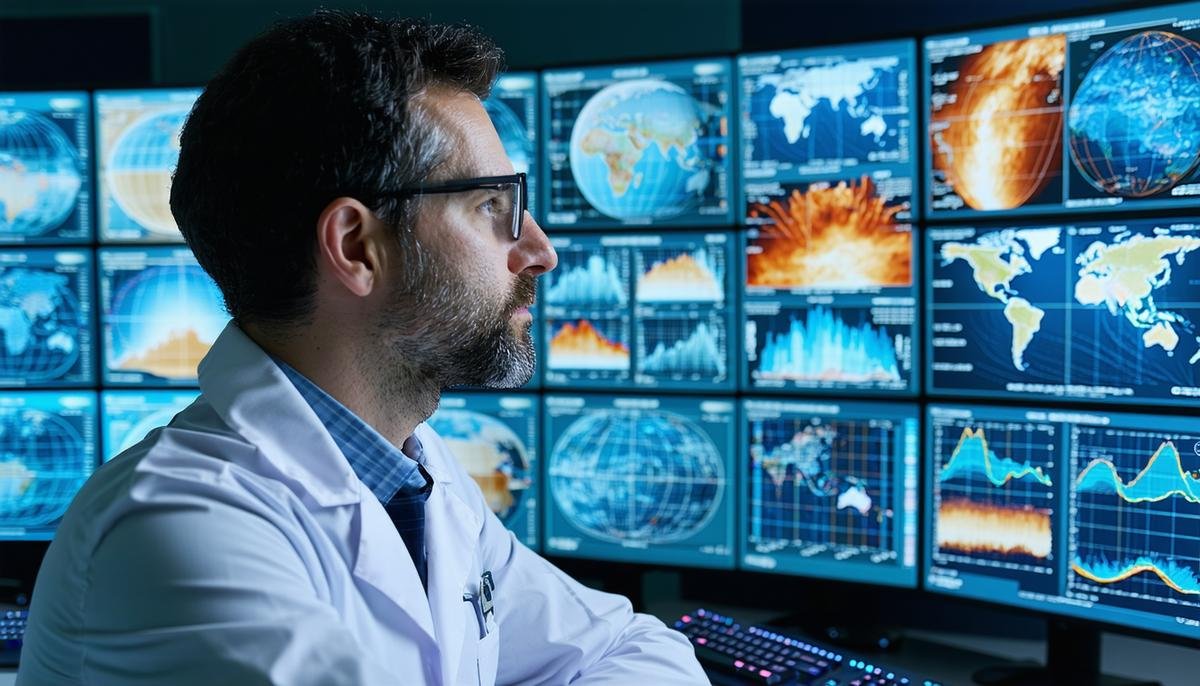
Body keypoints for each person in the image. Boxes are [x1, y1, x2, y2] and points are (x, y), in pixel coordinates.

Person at [17, 10, 707, 686]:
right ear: (355, 246)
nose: (539, 250)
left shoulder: (417, 475)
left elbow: (631, 645)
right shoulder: (177, 532)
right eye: (492, 205)